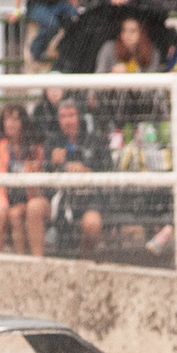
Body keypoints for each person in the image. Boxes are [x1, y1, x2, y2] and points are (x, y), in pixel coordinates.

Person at [0, 105, 49, 256]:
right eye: (6, 119)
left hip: (26, 198)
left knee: (16, 214)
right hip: (0, 195)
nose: (10, 123)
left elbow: (35, 179)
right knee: (1, 213)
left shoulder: (34, 147)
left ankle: (20, 261)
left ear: (23, 123)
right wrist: (1, 204)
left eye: (15, 119)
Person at [45, 98, 108, 256]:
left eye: (71, 115)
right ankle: (39, 267)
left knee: (92, 223)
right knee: (35, 208)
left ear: (79, 117)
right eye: (63, 116)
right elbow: (43, 178)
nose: (68, 121)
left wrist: (87, 172)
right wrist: (51, 164)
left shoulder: (95, 139)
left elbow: (107, 172)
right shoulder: (52, 141)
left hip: (89, 200)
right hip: (59, 200)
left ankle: (85, 262)